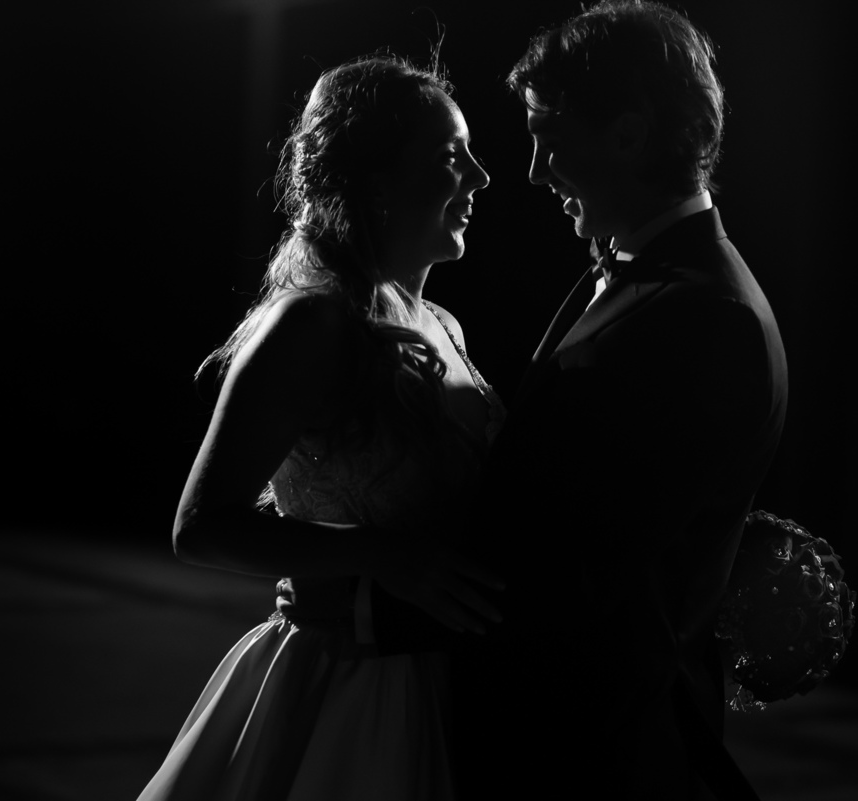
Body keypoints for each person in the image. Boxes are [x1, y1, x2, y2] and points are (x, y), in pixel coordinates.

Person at [281, 2, 788, 798]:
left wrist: (368, 606)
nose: (534, 171)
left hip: (588, 758)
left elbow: (576, 582)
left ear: (628, 134)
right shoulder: (651, 281)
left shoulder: (702, 317)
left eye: (549, 137)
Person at [137, 53, 500, 801]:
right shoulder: (313, 323)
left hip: (450, 680)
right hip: (348, 689)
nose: (480, 176)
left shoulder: (442, 323)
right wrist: (381, 556)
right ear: (378, 183)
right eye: (449, 156)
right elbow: (200, 527)